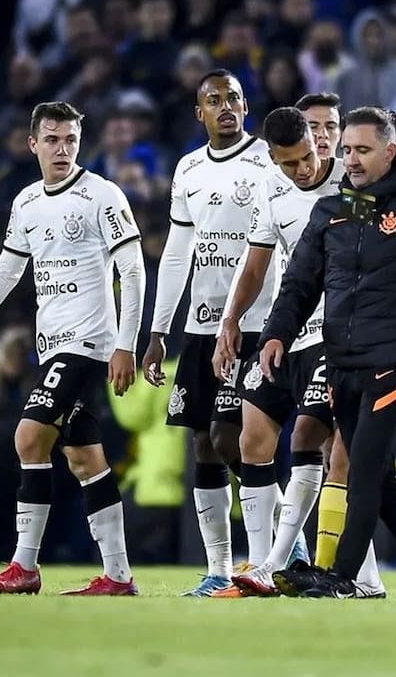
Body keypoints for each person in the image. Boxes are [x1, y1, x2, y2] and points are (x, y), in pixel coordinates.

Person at [258, 106, 396, 599]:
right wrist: (276, 333)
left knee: (360, 463)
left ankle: (341, 574)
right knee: (373, 469)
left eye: (361, 150)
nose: (350, 160)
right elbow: (299, 283)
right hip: (342, 358)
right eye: (346, 150)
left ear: (390, 151)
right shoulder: (331, 209)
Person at [0, 101, 145, 596]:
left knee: (29, 437)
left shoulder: (102, 195)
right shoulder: (28, 202)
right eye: (52, 139)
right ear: (33, 143)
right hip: (51, 342)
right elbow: (8, 271)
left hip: (87, 342)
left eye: (71, 140)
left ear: (81, 142)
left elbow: (133, 270)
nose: (62, 148)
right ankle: (118, 576)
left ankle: (24, 566)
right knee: (84, 459)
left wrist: (126, 345)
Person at [209, 107, 385, 600]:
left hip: (338, 335)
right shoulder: (272, 187)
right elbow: (257, 264)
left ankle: (278, 565)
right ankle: (264, 565)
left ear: (318, 138)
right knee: (252, 438)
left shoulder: (351, 186)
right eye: (290, 163)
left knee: (320, 444)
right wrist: (232, 320)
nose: (303, 169)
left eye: (307, 156)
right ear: (273, 158)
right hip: (288, 332)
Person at [142, 69, 283, 597]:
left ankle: (278, 545)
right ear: (198, 112)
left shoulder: (268, 159)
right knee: (203, 442)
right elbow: (178, 252)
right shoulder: (188, 170)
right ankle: (218, 568)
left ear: (246, 107)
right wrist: (159, 330)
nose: (226, 107)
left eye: (235, 99)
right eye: (214, 100)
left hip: (254, 323)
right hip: (201, 326)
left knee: (230, 436)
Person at [295, 92, 342, 158]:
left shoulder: (354, 168)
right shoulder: (279, 168)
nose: (323, 134)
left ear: (340, 134)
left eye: (331, 127)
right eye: (313, 127)